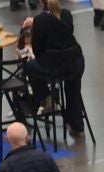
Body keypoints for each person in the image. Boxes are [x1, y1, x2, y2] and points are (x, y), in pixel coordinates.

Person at [28, 0, 87, 137]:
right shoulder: (67, 14)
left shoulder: (40, 20)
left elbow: (37, 50)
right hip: (76, 62)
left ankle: (46, 97)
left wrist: (34, 27)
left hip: (54, 67)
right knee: (73, 88)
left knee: (28, 66)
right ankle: (77, 125)